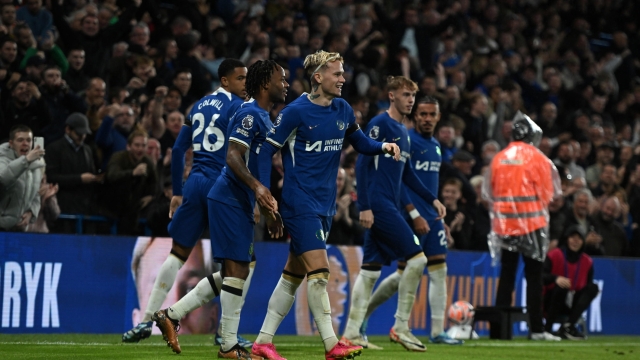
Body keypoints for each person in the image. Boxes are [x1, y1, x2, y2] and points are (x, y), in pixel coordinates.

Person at [250, 50, 401, 360]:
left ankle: (262, 343)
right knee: (320, 272)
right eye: (337, 73)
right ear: (318, 77)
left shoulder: (344, 109)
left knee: (292, 276)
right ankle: (332, 344)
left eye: (343, 73)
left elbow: (359, 143)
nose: (343, 78)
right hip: (298, 202)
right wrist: (264, 195)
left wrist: (382, 147)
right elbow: (266, 152)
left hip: (325, 206)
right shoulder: (295, 112)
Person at [121, 59, 249, 345]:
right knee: (235, 263)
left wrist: (178, 191)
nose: (246, 84)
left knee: (177, 254)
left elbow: (178, 149)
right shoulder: (239, 108)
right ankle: (224, 335)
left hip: (195, 184)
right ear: (225, 81)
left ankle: (145, 321)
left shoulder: (199, 106)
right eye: (241, 79)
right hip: (221, 186)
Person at [342, 81, 446, 352]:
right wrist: (364, 205)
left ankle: (351, 333)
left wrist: (432, 199)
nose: (411, 100)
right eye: (405, 95)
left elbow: (408, 173)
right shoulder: (381, 123)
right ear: (392, 96)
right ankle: (401, 326)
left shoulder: (403, 131)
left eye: (413, 95)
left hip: (387, 203)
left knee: (369, 272)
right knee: (417, 259)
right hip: (379, 204)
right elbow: (363, 161)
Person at [202, 59, 286, 359]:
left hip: (241, 200)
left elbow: (259, 164)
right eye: (281, 79)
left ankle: (174, 315)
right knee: (237, 270)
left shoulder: (261, 115)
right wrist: (258, 189)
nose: (285, 84)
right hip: (229, 198)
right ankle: (227, 345)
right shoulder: (251, 114)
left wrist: (267, 210)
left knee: (239, 268)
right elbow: (233, 156)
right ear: (266, 84)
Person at [482, 111, 562, 341]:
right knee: (534, 278)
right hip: (533, 225)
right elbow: (549, 194)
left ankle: (498, 331)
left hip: (505, 226)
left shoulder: (499, 157)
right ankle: (536, 329)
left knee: (506, 276)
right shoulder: (538, 158)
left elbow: (490, 192)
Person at [543, 225, 599, 340]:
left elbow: (587, 285)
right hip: (552, 300)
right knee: (562, 286)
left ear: (583, 241)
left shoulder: (587, 261)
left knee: (593, 287)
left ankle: (568, 326)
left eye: (579, 238)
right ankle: (547, 328)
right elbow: (540, 276)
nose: (576, 241)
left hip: (573, 301)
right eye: (572, 237)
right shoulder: (554, 255)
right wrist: (555, 278)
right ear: (566, 239)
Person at [44, 113, 101, 223]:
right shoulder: (54, 148)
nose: (82, 136)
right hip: (63, 206)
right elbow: (51, 177)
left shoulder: (87, 150)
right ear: (68, 130)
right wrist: (79, 179)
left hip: (84, 206)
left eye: (84, 133)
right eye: (79, 133)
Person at [104, 130, 157, 235]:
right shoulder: (118, 158)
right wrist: (132, 173)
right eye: (137, 145)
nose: (140, 149)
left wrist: (151, 196)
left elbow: (154, 183)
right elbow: (111, 176)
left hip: (133, 210)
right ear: (128, 146)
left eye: (144, 145)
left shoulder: (147, 162)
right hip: (111, 207)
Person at [0, 125, 45, 231]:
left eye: (29, 140)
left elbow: (36, 195)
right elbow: (3, 179)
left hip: (19, 228)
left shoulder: (35, 165)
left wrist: (31, 212)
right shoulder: (2, 159)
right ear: (11, 144)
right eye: (20, 140)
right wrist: (26, 160)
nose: (25, 143)